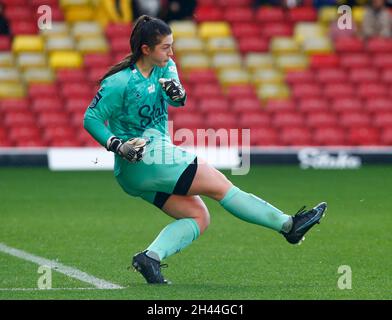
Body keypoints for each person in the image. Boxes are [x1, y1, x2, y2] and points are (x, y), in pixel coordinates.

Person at [84, 15, 327, 285]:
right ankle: (289, 226)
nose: (171, 52)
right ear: (146, 49)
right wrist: (119, 145)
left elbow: (178, 98)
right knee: (221, 186)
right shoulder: (120, 82)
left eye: (171, 45)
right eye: (165, 47)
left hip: (137, 172)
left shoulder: (165, 67)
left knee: (198, 216)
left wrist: (178, 94)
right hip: (147, 157)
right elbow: (91, 119)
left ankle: (150, 258)